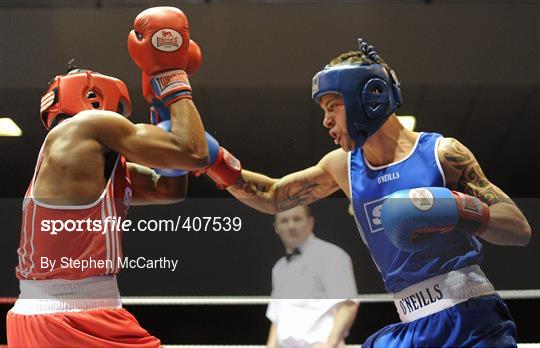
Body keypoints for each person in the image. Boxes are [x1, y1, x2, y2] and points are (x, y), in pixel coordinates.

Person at [197, 38, 532, 347]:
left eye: (332, 107)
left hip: (471, 318)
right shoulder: (342, 165)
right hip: (412, 325)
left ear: (367, 97)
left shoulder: (442, 154)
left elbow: (518, 229)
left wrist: (459, 209)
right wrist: (215, 162)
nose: (326, 121)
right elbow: (273, 195)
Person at [7, 7, 209, 347]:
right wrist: (171, 76)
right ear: (94, 96)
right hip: (73, 317)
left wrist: (162, 113)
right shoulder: (88, 125)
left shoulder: (82, 162)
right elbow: (194, 152)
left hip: (45, 315)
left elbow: (168, 189)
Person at [266, 205, 359, 348]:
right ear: (276, 227)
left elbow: (348, 305)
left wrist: (330, 344)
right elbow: (277, 317)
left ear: (310, 222)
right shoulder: (279, 267)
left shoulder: (331, 255)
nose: (291, 226)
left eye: (297, 219)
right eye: (284, 221)